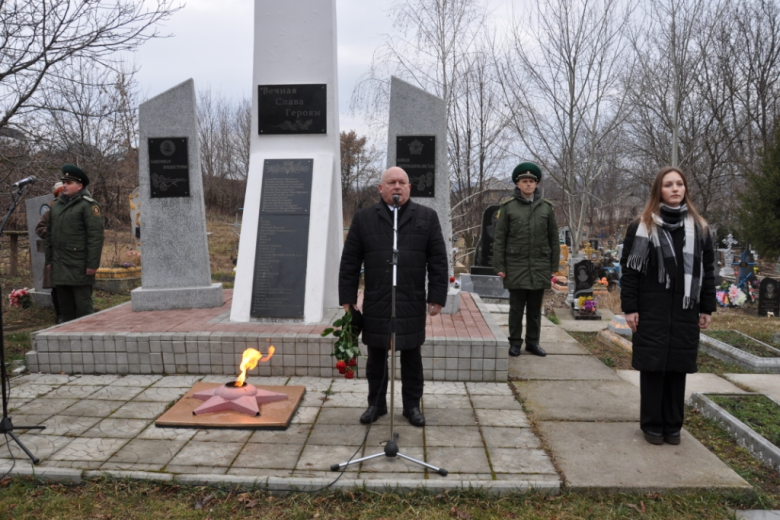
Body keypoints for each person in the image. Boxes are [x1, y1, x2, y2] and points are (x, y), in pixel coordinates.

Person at [339, 166, 448, 427]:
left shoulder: (427, 217)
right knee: (377, 356)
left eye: (402, 182)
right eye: (391, 182)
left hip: (410, 299)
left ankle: (411, 406)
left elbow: (438, 261)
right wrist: (348, 297)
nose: (397, 187)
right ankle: (376, 404)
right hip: (378, 299)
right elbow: (350, 261)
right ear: (380, 188)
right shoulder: (365, 218)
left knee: (412, 357)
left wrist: (437, 296)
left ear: (410, 187)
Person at [620, 166, 716, 446]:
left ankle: (673, 425)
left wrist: (706, 307)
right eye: (668, 185)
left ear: (685, 189)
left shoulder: (700, 228)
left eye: (679, 184)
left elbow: (707, 271)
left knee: (677, 367)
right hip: (652, 309)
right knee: (652, 368)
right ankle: (652, 424)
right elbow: (630, 271)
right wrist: (630, 307)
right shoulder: (642, 226)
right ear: (658, 190)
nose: (675, 189)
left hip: (686, 309)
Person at [493, 162, 559, 357]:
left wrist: (553, 266)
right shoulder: (508, 208)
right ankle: (514, 342)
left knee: (534, 309)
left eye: (531, 181)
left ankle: (533, 342)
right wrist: (499, 265)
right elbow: (499, 239)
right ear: (518, 184)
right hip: (516, 264)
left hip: (539, 264)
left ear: (536, 184)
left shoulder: (546, 208)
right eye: (524, 181)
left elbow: (554, 238)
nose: (528, 184)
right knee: (516, 308)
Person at [45, 164, 104, 322]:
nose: (64, 185)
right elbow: (50, 234)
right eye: (63, 182)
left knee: (83, 307)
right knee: (66, 309)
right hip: (59, 264)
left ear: (79, 186)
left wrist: (92, 264)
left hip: (79, 265)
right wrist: (49, 260)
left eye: (69, 183)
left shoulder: (88, 205)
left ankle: (88, 338)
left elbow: (95, 236)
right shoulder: (56, 205)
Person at [35, 181, 64, 323]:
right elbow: (39, 229)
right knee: (56, 287)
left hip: (70, 255)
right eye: (59, 193)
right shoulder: (49, 213)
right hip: (54, 254)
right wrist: (54, 232)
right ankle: (60, 315)